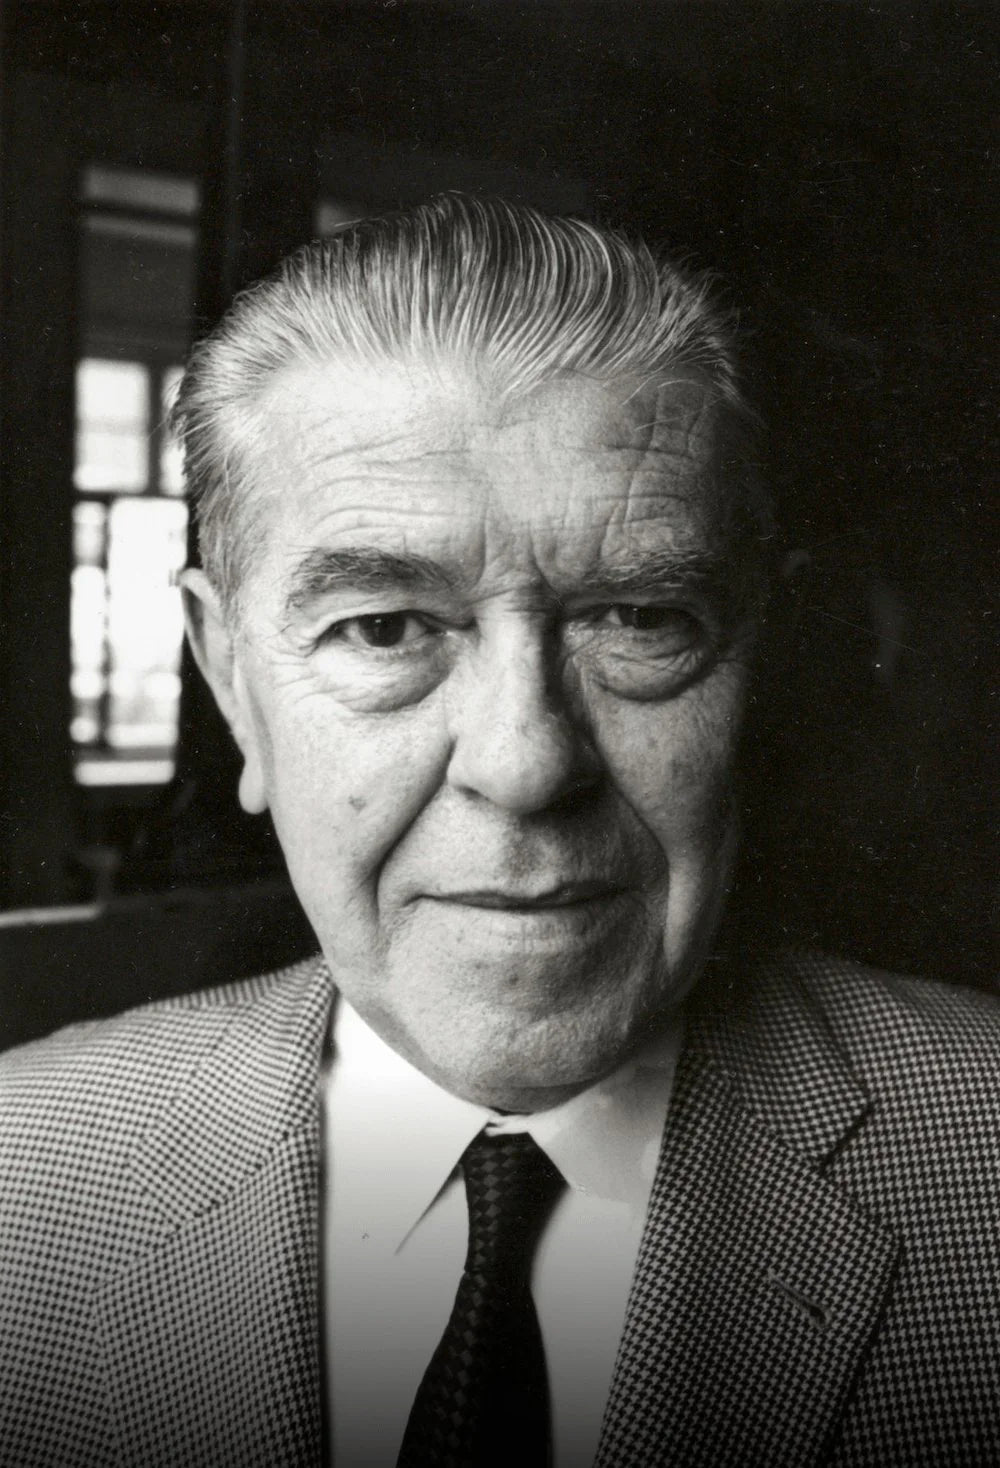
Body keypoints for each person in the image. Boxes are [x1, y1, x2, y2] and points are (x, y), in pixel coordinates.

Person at [1, 194, 998, 1468]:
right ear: (231, 684)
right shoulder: (19, 1177)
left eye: (639, 619)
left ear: (762, 659)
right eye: (383, 628)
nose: (525, 764)